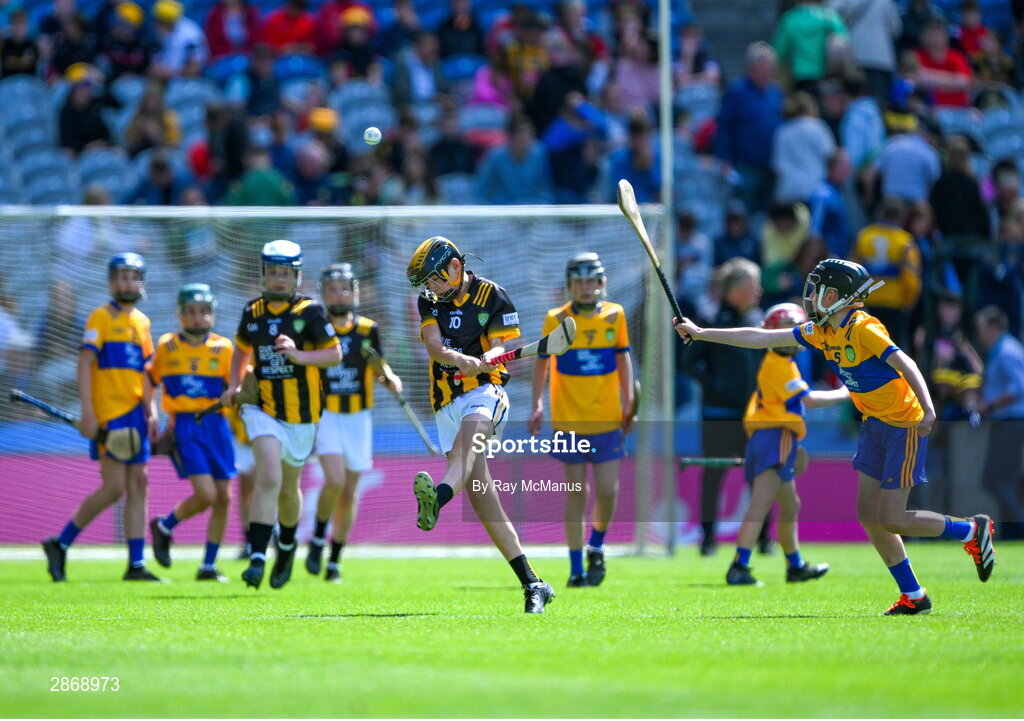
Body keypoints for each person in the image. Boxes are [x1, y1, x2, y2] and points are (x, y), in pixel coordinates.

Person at [674, 258, 997, 614]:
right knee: (867, 514)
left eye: (818, 290)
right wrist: (702, 332)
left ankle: (970, 530)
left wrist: (929, 408)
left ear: (837, 296)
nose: (810, 297)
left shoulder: (863, 328)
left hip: (904, 425)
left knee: (891, 518)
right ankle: (914, 596)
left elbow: (907, 364)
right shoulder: (822, 330)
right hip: (874, 424)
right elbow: (761, 336)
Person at [406, 236, 555, 613]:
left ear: (455, 267)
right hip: (444, 402)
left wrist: (485, 357)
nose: (431, 288)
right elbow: (434, 346)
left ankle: (436, 499)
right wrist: (459, 358)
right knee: (480, 493)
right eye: (427, 283)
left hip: (485, 392)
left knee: (465, 450)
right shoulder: (430, 301)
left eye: (435, 279)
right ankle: (533, 583)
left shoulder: (493, 296)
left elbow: (502, 345)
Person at [221, 240, 342, 589]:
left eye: (285, 273)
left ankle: (286, 548)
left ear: (296, 276)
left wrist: (298, 355)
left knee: (289, 488)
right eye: (272, 272)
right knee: (268, 475)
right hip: (262, 408)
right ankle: (258, 556)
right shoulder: (252, 311)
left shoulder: (310, 311)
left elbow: (333, 355)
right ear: (263, 273)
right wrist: (233, 385)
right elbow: (241, 350)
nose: (278, 279)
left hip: (302, 416)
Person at [42, 253, 162, 582]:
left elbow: (148, 373)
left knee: (139, 484)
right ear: (111, 282)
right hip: (110, 414)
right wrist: (89, 413)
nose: (128, 281)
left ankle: (136, 564)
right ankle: (61, 542)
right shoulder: (100, 318)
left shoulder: (143, 322)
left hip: (136, 416)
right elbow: (85, 364)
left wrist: (151, 411)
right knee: (114, 487)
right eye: (122, 276)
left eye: (135, 275)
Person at [529, 253, 635, 587]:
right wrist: (537, 403)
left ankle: (597, 547)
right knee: (577, 493)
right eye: (579, 282)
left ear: (601, 284)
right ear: (570, 285)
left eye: (592, 281)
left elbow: (624, 360)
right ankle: (576, 569)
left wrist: (629, 403)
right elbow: (541, 362)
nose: (586, 288)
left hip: (607, 420)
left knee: (608, 491)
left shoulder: (615, 316)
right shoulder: (555, 318)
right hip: (569, 422)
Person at [726, 302, 849, 586]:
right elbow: (810, 400)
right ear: (770, 333)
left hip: (771, 439)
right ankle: (738, 566)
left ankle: (795, 566)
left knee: (790, 504)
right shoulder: (780, 365)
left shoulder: (780, 363)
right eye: (786, 330)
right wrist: (845, 394)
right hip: (775, 437)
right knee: (761, 504)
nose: (792, 335)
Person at [304, 264, 403, 583]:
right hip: (327, 415)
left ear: (355, 293)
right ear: (323, 294)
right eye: (332, 289)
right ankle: (318, 537)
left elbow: (379, 365)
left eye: (345, 288)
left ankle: (334, 559)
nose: (339, 294)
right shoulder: (315, 328)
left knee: (349, 493)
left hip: (359, 418)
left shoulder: (367, 329)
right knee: (333, 480)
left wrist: (391, 378)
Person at [148, 284, 235, 582]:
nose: (198, 317)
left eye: (204, 311)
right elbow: (150, 382)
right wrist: (152, 412)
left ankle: (208, 565)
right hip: (186, 425)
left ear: (212, 313)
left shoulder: (224, 348)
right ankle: (166, 524)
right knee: (208, 494)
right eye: (191, 312)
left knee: (224, 498)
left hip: (218, 427)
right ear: (180, 314)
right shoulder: (167, 345)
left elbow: (236, 388)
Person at [682, 258, 768, 556]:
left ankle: (764, 540)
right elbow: (689, 361)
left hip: (755, 416)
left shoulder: (760, 321)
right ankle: (708, 538)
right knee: (714, 476)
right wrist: (716, 386)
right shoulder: (712, 320)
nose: (758, 291)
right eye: (753, 285)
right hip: (719, 416)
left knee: (761, 475)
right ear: (738, 288)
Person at [974, 306, 1024, 540]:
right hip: (1006, 423)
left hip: (1010, 422)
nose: (979, 334)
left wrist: (989, 406)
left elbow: (1018, 387)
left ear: (994, 328)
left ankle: (1018, 529)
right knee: (1003, 479)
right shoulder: (1001, 350)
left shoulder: (1007, 350)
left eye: (982, 329)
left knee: (994, 479)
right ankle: (1011, 532)